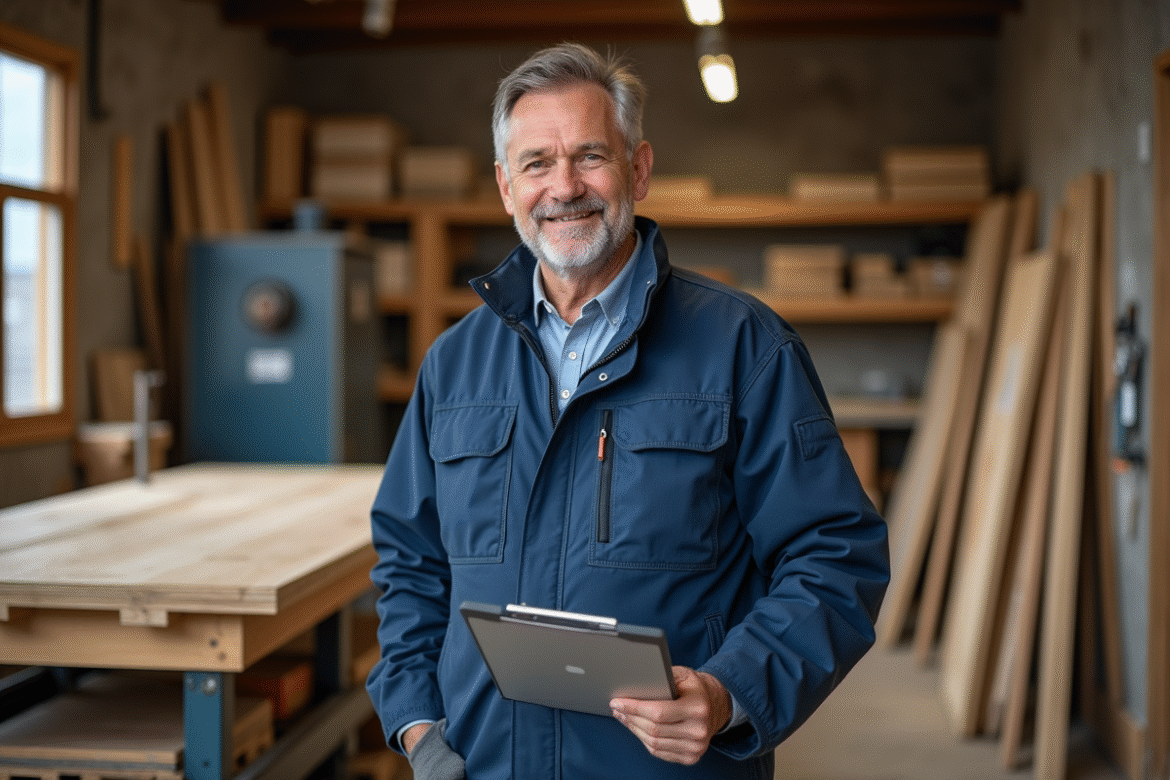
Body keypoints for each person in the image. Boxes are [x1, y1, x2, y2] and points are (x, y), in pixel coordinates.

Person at [366, 42, 889, 780]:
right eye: (537, 163)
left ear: (639, 170)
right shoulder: (455, 364)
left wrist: (730, 689)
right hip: (483, 766)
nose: (565, 186)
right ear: (505, 186)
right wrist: (420, 729)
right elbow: (410, 564)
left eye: (590, 156)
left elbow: (836, 556)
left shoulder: (744, 346)